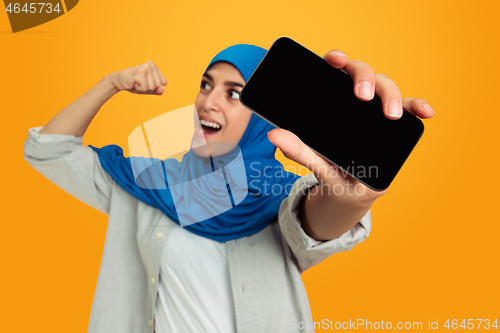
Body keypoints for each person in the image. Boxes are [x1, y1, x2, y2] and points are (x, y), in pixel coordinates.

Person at [23, 43, 434, 333]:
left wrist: (351, 196)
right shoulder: (147, 183)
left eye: (235, 93)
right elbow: (49, 152)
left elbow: (315, 223)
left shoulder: (280, 195)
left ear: (265, 117)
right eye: (206, 84)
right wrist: (110, 82)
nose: (207, 102)